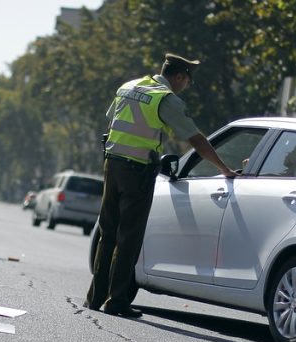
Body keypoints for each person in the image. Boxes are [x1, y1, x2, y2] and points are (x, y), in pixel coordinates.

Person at [85, 53, 238, 318]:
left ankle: (95, 297)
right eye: (188, 81)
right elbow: (196, 139)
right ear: (179, 76)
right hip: (137, 172)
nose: (186, 87)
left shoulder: (129, 87)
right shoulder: (165, 99)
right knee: (128, 237)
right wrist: (223, 168)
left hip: (113, 165)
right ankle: (117, 300)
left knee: (108, 232)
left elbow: (112, 122)